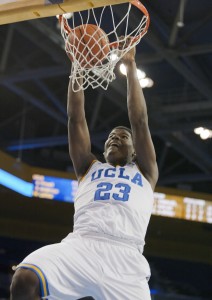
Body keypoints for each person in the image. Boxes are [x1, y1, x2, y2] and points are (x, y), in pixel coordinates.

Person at [10, 44, 158, 300]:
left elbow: (139, 119)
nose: (114, 139)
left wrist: (131, 66)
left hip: (125, 258)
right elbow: (75, 118)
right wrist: (77, 67)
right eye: (111, 137)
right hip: (81, 246)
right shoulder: (88, 166)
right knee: (24, 280)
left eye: (123, 137)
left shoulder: (145, 171)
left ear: (135, 152)